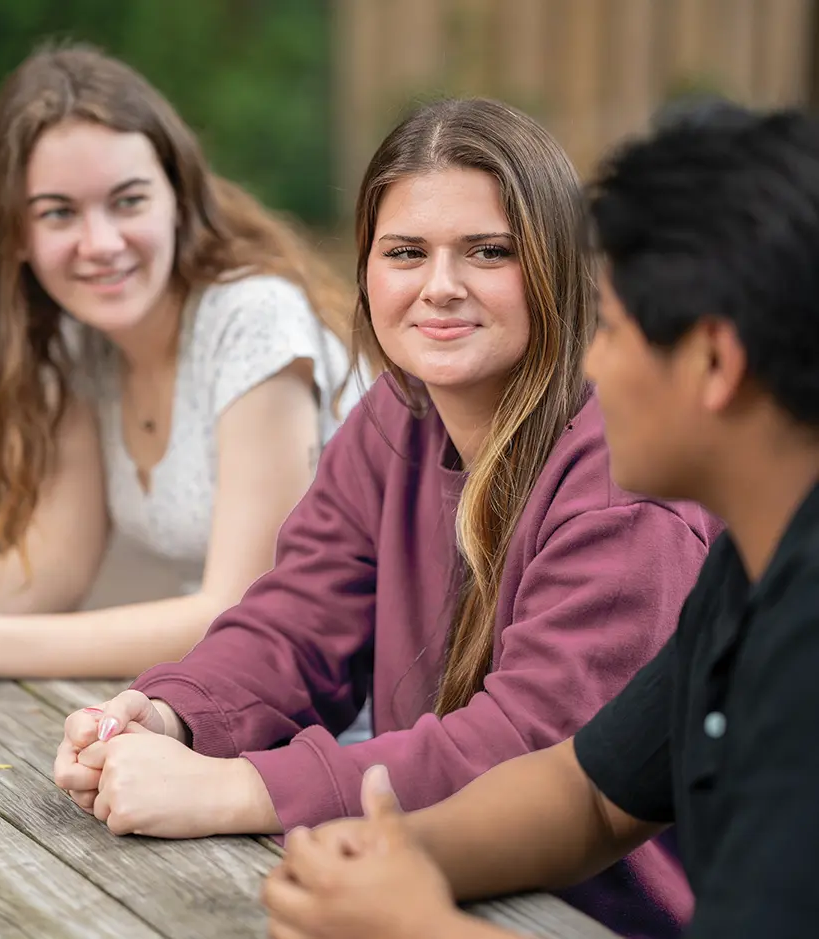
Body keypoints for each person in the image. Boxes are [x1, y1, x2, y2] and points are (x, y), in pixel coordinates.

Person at [54, 98, 721, 938]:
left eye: (489, 252)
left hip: (590, 915)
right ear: (366, 269)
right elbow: (295, 620)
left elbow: (533, 751)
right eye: (406, 252)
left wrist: (235, 788)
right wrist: (168, 712)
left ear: (554, 265)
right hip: (409, 878)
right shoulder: (395, 414)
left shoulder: (629, 470)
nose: (440, 286)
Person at [261, 104, 819, 939]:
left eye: (615, 331)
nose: (590, 360)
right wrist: (388, 851)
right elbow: (590, 791)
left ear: (713, 362)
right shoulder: (755, 567)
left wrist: (416, 925)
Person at [0, 43, 359, 687]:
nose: (101, 244)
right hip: (251, 696)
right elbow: (52, 568)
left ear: (177, 199)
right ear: (16, 234)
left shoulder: (254, 321)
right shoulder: (82, 342)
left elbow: (243, 612)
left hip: (371, 709)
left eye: (128, 201)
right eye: (59, 213)